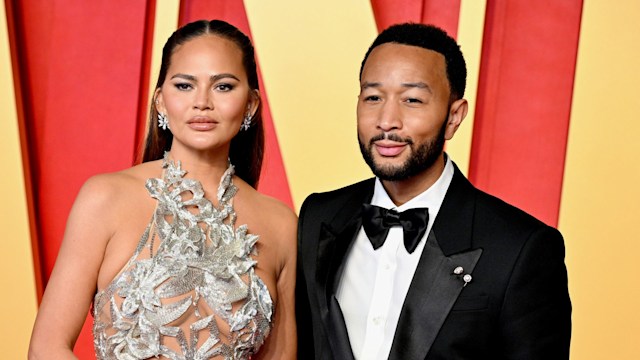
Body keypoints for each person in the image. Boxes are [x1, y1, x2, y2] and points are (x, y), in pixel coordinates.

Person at [296, 23, 571, 359]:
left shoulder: (520, 248)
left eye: (412, 100)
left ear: (454, 117)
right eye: (373, 97)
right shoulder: (318, 217)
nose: (386, 120)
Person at [29, 20, 297, 359]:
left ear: (251, 105)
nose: (202, 102)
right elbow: (47, 346)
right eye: (185, 86)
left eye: (223, 87)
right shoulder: (106, 198)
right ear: (160, 101)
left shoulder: (281, 223)